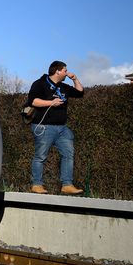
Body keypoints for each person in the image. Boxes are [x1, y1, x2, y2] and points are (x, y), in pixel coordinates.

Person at [26, 61, 84, 195]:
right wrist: (51, 102)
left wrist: (75, 79)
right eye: (65, 70)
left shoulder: (64, 87)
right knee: (40, 157)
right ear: (57, 71)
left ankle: (67, 185)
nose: (67, 73)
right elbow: (33, 101)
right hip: (44, 127)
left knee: (68, 154)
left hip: (62, 128)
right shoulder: (40, 83)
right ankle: (37, 185)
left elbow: (80, 92)